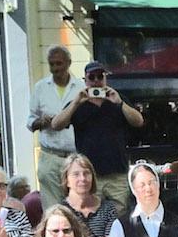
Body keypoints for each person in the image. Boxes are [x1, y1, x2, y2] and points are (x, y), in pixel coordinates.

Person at [53, 61, 144, 212]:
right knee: (91, 215)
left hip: (117, 174)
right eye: (92, 77)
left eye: (100, 77)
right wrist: (76, 103)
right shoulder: (78, 104)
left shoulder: (118, 100)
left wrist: (120, 103)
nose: (96, 81)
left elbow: (138, 121)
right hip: (90, 176)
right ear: (85, 80)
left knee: (119, 217)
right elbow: (56, 125)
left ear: (105, 78)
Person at [28, 46, 82, 208]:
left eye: (59, 63)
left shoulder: (81, 88)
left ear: (69, 63)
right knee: (52, 209)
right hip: (50, 156)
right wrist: (42, 122)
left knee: (77, 207)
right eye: (52, 64)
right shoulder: (40, 88)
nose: (55, 68)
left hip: (75, 156)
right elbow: (30, 122)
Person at [62, 153, 120, 237]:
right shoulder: (61, 212)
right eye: (76, 174)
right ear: (66, 180)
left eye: (86, 173)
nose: (82, 178)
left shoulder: (108, 209)